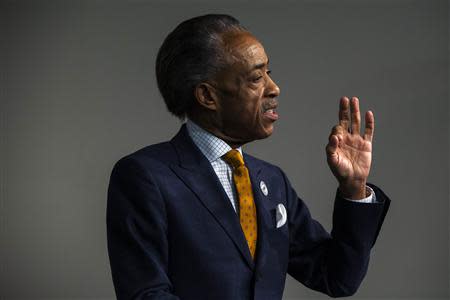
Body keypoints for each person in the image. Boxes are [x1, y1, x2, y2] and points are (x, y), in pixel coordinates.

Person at [107, 14, 390, 300]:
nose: (274, 88)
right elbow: (146, 294)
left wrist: (354, 190)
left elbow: (336, 277)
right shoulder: (146, 177)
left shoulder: (272, 180)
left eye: (269, 73)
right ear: (207, 96)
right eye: (257, 77)